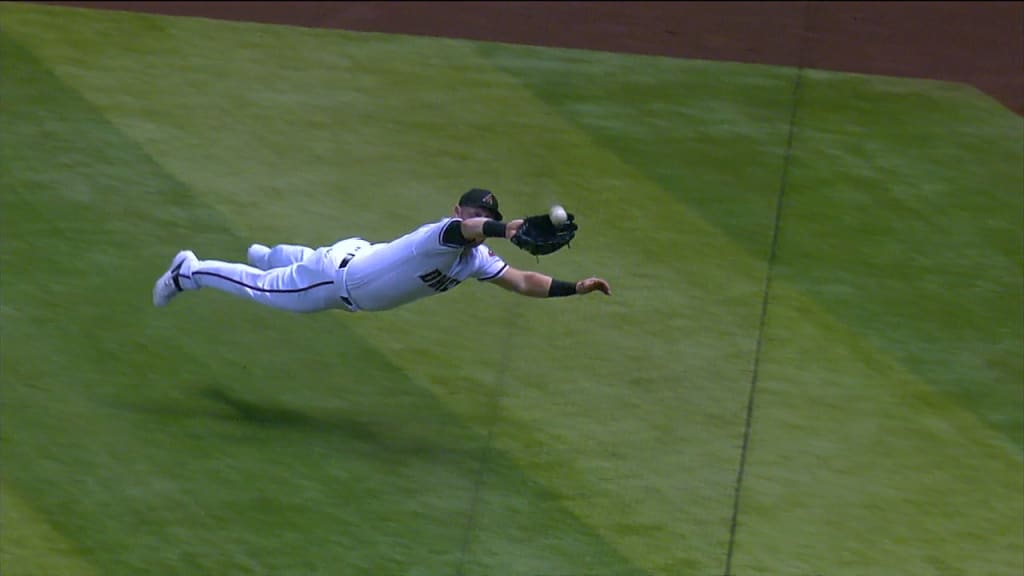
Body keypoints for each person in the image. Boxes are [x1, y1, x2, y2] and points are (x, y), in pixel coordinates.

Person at [152, 188, 611, 313]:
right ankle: (188, 271)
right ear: (458, 210)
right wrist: (504, 227)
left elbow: (524, 280)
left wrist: (578, 288)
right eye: (474, 213)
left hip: (353, 258)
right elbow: (470, 228)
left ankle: (269, 252)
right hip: (338, 281)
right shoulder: (445, 232)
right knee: (264, 292)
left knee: (301, 261)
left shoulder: (477, 260)